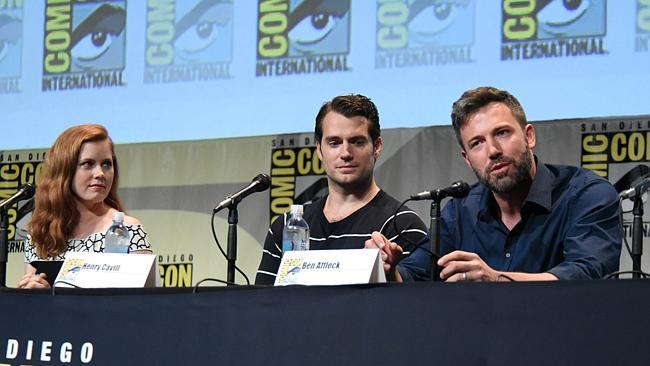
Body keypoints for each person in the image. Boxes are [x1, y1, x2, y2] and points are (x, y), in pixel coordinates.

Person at [367, 86, 621, 281]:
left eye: (502, 133)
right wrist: (390, 270)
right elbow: (417, 274)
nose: (493, 150)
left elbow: (588, 275)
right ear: (467, 159)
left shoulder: (586, 194)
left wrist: (496, 279)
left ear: (529, 136)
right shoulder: (459, 211)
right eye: (477, 143)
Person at [255, 94, 427, 284]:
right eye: (334, 143)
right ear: (319, 150)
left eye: (357, 142)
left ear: (376, 146)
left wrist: (390, 275)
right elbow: (264, 303)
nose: (345, 153)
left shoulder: (402, 225)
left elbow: (415, 307)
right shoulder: (288, 226)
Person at [18, 124, 152, 289]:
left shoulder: (128, 230)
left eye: (106, 164)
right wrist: (36, 294)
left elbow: (145, 305)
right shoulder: (40, 234)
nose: (100, 173)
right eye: (88, 164)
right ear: (64, 171)